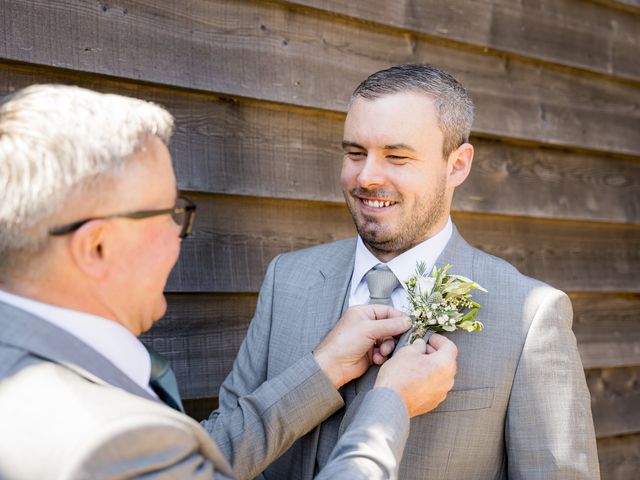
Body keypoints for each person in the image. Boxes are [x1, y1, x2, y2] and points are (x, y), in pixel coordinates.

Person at [0, 84, 458, 480]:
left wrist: (323, 370)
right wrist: (390, 405)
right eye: (168, 213)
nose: (179, 233)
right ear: (96, 246)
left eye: (396, 156)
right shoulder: (112, 438)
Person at [211, 64, 601, 479]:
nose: (366, 177)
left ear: (457, 165)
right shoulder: (287, 279)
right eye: (354, 153)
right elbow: (213, 457)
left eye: (397, 156)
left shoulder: (530, 316)